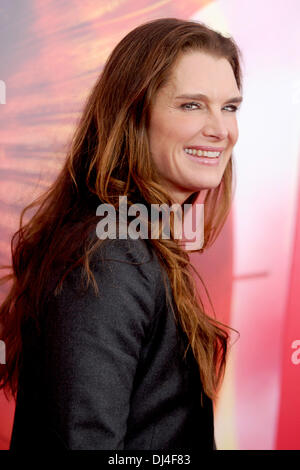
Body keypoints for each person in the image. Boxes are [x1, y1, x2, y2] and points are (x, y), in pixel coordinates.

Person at [0, 17, 243, 450]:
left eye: (229, 107)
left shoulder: (135, 237)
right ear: (133, 113)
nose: (221, 130)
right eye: (191, 105)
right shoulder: (111, 254)